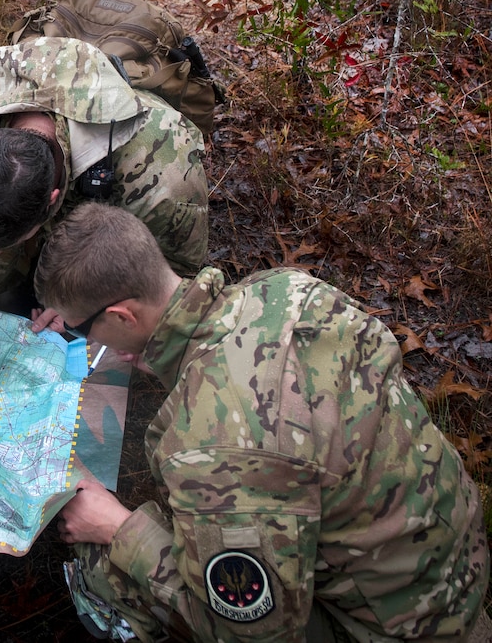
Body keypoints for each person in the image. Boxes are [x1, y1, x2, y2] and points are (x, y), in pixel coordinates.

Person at [33, 202, 490, 642]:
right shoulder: (281, 288)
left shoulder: (209, 448)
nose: (82, 338)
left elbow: (248, 634)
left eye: (81, 328)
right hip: (451, 555)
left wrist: (117, 528)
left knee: (107, 567)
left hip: (400, 626)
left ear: (121, 316)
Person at [0, 36, 208, 408]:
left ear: (53, 201)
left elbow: (171, 277)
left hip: (125, 202)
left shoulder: (160, 171)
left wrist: (90, 314)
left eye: (5, 245)